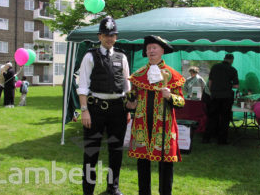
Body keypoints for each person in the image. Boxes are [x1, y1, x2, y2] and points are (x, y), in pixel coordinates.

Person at [77, 16, 130, 195]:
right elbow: (82, 85)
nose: (109, 38)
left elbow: (126, 85)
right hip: (95, 109)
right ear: (99, 36)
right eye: (106, 35)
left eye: (112, 35)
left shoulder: (122, 56)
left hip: (118, 110)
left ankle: (112, 188)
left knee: (116, 151)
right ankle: (88, 191)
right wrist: (84, 111)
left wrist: (128, 109)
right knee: (91, 151)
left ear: (116, 37)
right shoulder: (90, 56)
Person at [126, 35, 185, 195]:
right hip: (142, 126)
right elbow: (131, 100)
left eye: (154, 48)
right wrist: (129, 101)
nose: (151, 51)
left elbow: (181, 102)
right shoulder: (138, 75)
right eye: (148, 48)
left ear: (162, 51)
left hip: (163, 127)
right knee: (142, 163)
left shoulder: (172, 75)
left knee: (166, 165)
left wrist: (170, 96)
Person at [202, 53, 239, 144]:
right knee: (225, 119)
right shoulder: (233, 69)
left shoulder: (215, 67)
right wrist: (228, 84)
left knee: (212, 118)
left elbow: (210, 81)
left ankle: (207, 138)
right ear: (232, 60)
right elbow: (236, 85)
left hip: (215, 96)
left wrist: (212, 92)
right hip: (226, 97)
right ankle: (222, 140)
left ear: (224, 58)